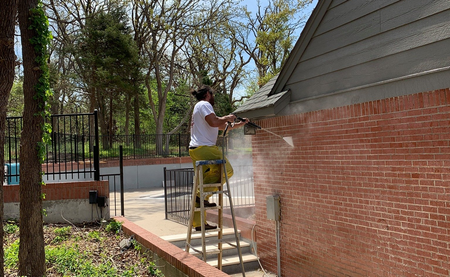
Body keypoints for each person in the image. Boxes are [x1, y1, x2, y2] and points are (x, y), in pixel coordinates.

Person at [189, 85, 248, 231]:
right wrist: (227, 117)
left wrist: (239, 124)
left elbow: (220, 126)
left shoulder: (199, 108)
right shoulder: (204, 104)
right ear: (208, 94)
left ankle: (199, 223)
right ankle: (202, 196)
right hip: (205, 148)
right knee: (227, 171)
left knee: (202, 184)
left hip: (197, 149)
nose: (213, 98)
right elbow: (214, 122)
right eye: (213, 95)